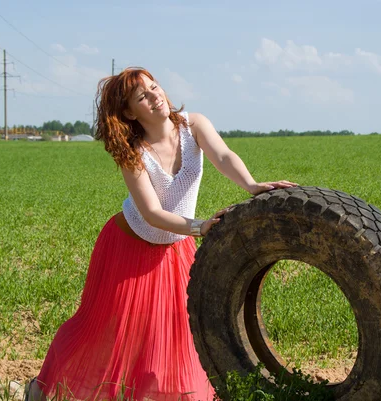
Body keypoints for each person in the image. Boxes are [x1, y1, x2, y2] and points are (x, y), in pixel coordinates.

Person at [25, 67, 298, 401]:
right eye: (143, 96)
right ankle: (40, 388)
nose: (155, 96)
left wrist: (252, 185)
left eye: (155, 87)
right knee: (102, 328)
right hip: (128, 246)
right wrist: (200, 226)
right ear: (129, 112)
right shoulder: (132, 151)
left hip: (176, 246)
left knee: (179, 332)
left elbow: (223, 156)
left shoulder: (192, 124)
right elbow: (152, 214)